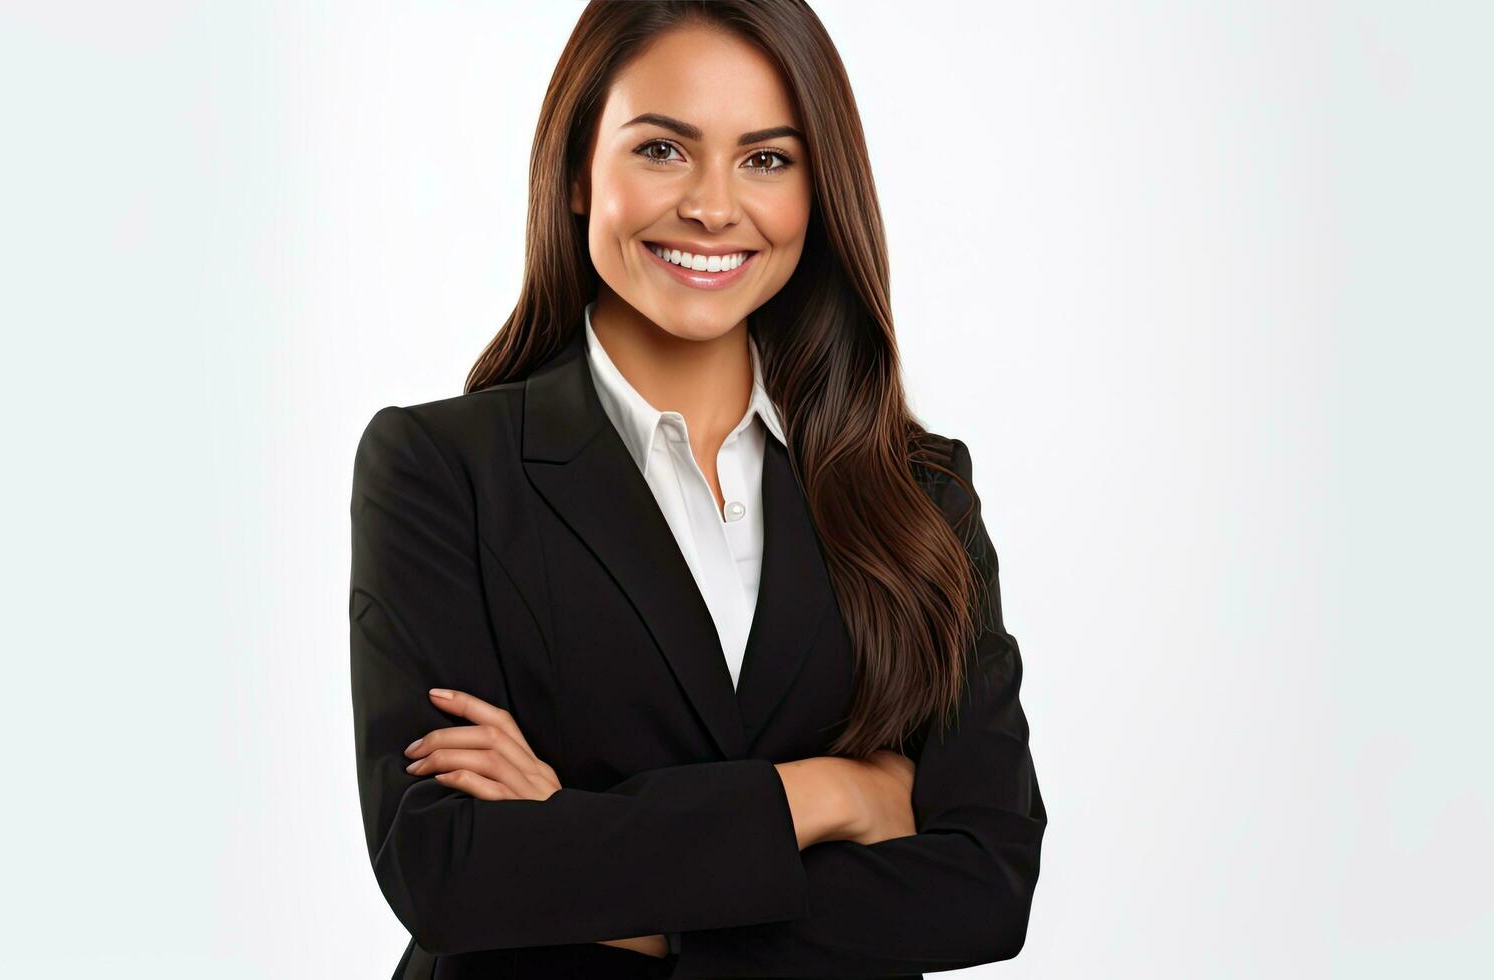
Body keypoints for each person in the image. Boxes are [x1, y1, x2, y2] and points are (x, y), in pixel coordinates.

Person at [346, 3, 1046, 977]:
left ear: (819, 188)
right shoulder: (439, 469)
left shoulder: (918, 492)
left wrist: (587, 859)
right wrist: (831, 795)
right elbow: (449, 870)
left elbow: (985, 883)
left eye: (765, 158)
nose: (714, 206)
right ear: (577, 172)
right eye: (663, 149)